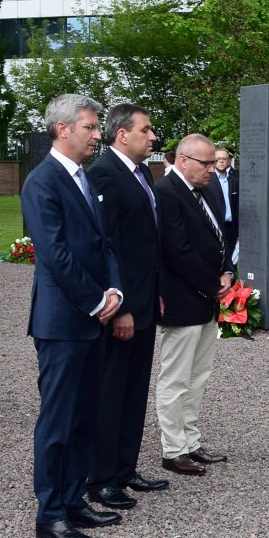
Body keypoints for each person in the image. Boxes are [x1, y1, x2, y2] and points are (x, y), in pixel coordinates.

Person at [22, 94, 124, 538]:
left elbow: (104, 243)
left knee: (85, 416)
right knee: (58, 420)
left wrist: (115, 292)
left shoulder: (84, 179)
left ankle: (73, 498)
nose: (98, 134)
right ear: (63, 129)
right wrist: (94, 300)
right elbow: (55, 254)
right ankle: (50, 514)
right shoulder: (42, 182)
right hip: (64, 321)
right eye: (90, 127)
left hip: (93, 316)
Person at [84, 103, 169, 511]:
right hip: (122, 308)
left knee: (134, 390)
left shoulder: (140, 174)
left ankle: (124, 468)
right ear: (122, 134)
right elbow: (108, 247)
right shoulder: (105, 174)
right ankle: (100, 478)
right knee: (112, 390)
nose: (153, 137)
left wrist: (153, 292)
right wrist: (120, 307)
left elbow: (146, 244)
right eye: (147, 130)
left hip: (145, 302)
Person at [154, 133, 234, 477]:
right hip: (183, 297)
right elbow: (177, 249)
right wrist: (210, 284)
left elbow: (221, 236)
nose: (212, 169)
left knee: (199, 375)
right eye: (205, 163)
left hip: (207, 298)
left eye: (214, 163)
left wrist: (228, 270)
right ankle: (173, 448)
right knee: (175, 377)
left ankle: (190, 440)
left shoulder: (205, 190)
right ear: (183, 160)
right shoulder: (166, 193)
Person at [208, 147, 239, 262]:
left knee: (231, 262)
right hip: (215, 227)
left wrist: (238, 232)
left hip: (231, 228)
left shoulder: (234, 181)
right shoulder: (208, 181)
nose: (221, 161)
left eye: (224, 159)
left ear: (229, 161)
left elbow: (237, 207)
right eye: (218, 159)